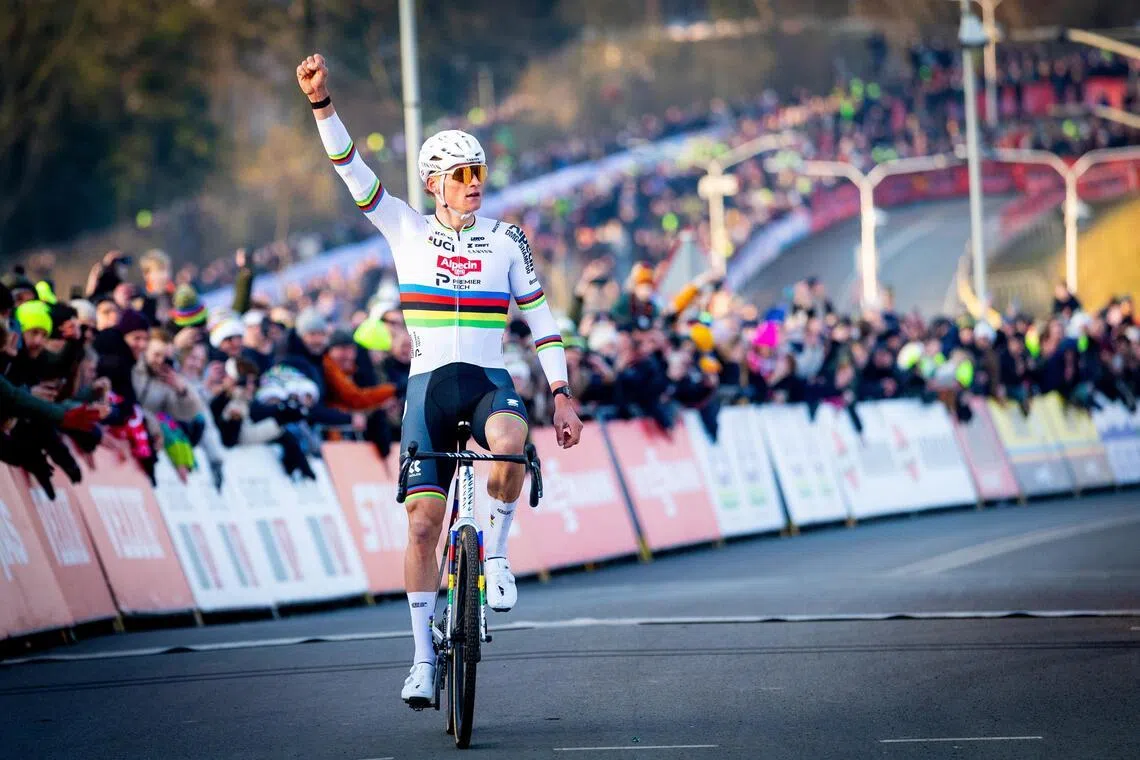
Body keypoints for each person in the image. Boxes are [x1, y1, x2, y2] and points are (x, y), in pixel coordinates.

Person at [297, 53, 584, 706]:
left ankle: (501, 554)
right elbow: (350, 170)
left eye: (479, 171)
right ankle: (423, 660)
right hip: (428, 388)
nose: (474, 183)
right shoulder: (404, 227)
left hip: (487, 379)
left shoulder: (507, 238)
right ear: (435, 183)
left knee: (511, 445)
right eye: (461, 175)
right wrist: (322, 106)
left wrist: (562, 395)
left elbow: (541, 321)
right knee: (423, 524)